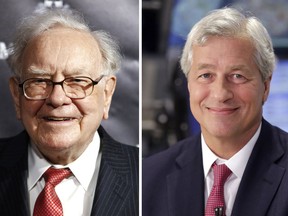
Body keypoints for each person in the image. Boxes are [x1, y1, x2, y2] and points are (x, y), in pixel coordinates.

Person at [143, 7, 288, 216]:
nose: (220, 94)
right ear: (188, 85)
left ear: (265, 86)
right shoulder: (148, 177)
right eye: (206, 75)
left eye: (237, 76)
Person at [0, 8, 138, 216]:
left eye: (77, 81)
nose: (57, 98)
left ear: (107, 94)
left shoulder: (145, 175)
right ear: (16, 95)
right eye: (39, 81)